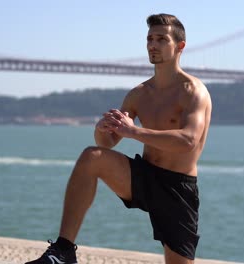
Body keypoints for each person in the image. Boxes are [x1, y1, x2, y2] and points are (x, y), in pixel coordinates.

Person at [26, 13, 212, 264]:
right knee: (92, 157)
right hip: (144, 176)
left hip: (178, 188)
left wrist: (132, 131)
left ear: (180, 46)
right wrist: (102, 129)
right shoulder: (139, 94)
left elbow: (188, 140)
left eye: (161, 39)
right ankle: (63, 250)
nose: (152, 45)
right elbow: (107, 143)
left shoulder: (193, 91)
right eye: (149, 39)